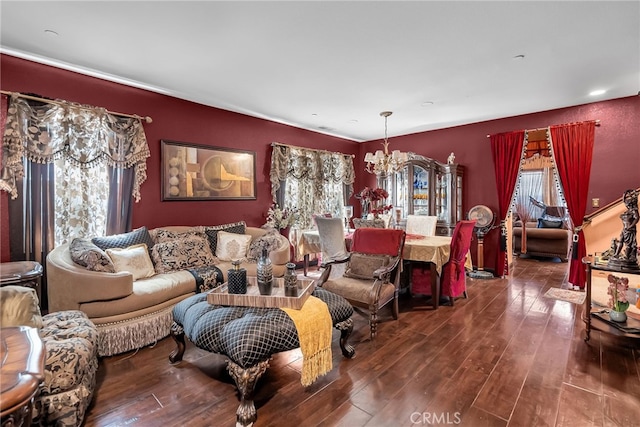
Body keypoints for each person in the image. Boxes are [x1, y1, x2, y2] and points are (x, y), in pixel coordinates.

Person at [613, 189, 639, 261]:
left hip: (630, 229)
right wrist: (625, 193)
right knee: (621, 240)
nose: (626, 204)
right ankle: (616, 255)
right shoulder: (628, 210)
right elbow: (623, 200)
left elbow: (637, 218)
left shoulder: (634, 210)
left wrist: (630, 226)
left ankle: (627, 257)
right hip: (624, 229)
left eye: (628, 203)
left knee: (629, 244)